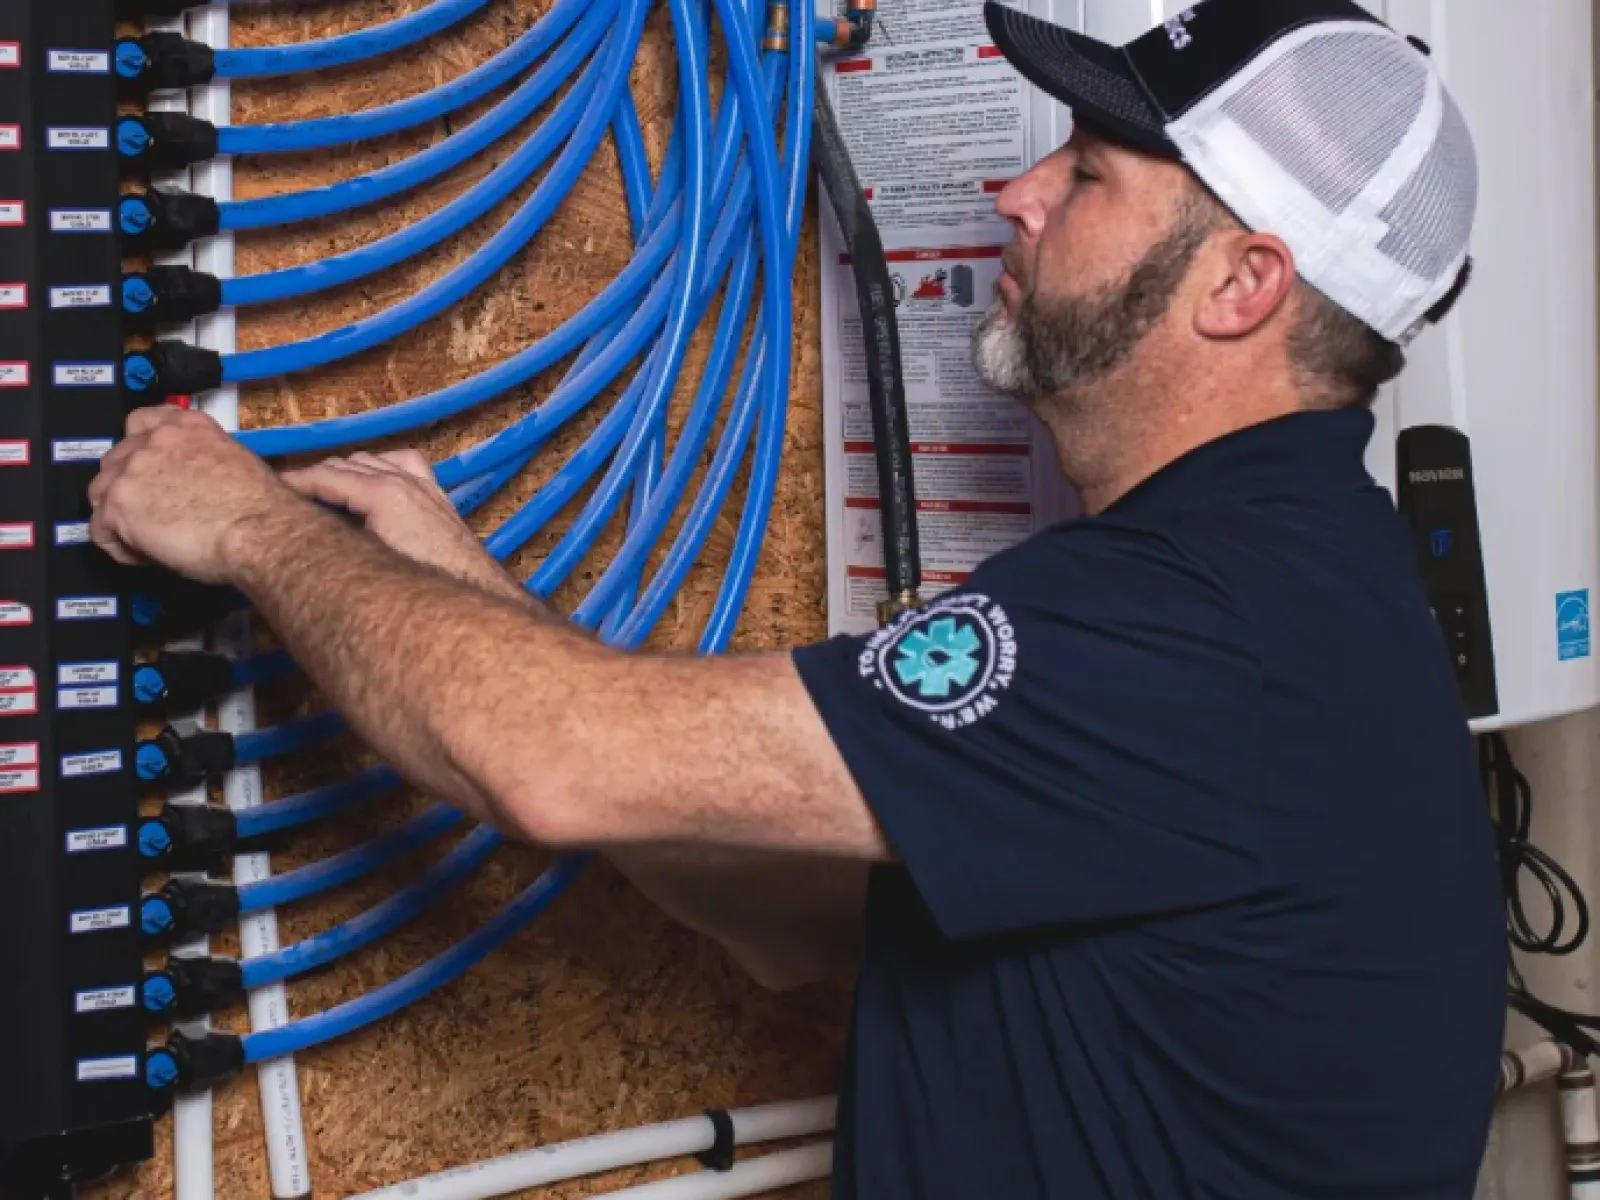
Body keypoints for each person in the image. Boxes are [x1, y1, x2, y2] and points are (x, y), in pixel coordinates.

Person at [90, 0, 1507, 1194]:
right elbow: (810, 927)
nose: (1017, 193)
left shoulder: (1190, 626)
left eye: (1087, 174)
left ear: (1243, 285)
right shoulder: (1296, 589)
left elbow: (556, 764)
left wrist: (253, 530)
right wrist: (466, 591)